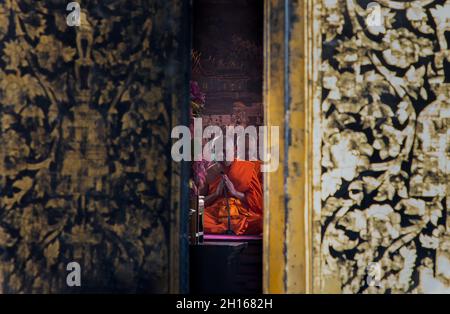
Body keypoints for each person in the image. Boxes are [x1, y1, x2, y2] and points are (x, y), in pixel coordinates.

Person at [200, 155, 263, 235]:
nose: (223, 155)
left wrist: (235, 192)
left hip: (241, 215)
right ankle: (227, 229)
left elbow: (257, 202)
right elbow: (200, 202)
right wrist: (216, 194)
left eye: (225, 151)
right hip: (215, 215)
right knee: (197, 219)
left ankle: (224, 230)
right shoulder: (209, 172)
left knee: (262, 221)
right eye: (219, 151)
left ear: (234, 151)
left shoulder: (246, 168)